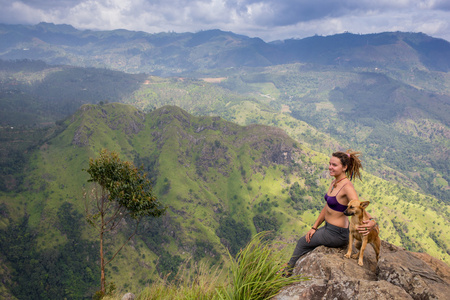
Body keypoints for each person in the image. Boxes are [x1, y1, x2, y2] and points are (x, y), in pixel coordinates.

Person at [284, 150, 377, 276]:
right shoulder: (334, 182)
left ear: (344, 167)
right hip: (328, 229)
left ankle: (287, 273)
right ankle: (295, 269)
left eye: (334, 165)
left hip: (337, 234)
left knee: (302, 242)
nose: (330, 167)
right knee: (308, 241)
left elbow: (359, 207)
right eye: (330, 164)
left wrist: (372, 222)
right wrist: (314, 227)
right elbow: (327, 207)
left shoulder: (347, 187)